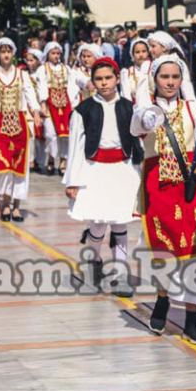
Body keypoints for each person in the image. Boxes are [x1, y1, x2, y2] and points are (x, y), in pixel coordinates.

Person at [131, 54, 196, 345]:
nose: (170, 82)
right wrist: (145, 113)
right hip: (158, 186)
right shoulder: (147, 110)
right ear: (155, 80)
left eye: (175, 77)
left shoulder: (194, 108)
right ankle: (162, 298)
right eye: (164, 77)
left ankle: (192, 321)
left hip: (190, 188)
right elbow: (137, 127)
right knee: (163, 251)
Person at [63, 57, 142, 297]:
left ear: (117, 79)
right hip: (94, 170)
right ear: (92, 82)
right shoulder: (83, 110)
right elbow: (75, 146)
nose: (104, 83)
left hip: (122, 169)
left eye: (108, 78)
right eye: (99, 79)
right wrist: (72, 181)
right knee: (97, 223)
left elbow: (139, 139)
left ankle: (120, 274)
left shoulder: (129, 107)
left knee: (120, 222)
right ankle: (92, 265)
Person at [0, 38, 41, 222]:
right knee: (2, 166)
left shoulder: (22, 74)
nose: (6, 55)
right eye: (2, 51)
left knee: (20, 165)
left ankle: (17, 206)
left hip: (19, 122)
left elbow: (30, 94)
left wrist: (35, 112)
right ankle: (4, 202)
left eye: (9, 51)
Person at [37, 41, 76, 175]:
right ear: (47, 54)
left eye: (58, 53)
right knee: (50, 133)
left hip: (65, 104)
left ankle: (64, 160)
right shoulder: (43, 69)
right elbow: (41, 85)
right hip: (49, 104)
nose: (56, 56)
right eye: (53, 53)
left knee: (65, 134)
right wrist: (42, 103)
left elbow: (72, 86)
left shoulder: (66, 69)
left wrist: (72, 104)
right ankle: (52, 158)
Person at [120, 38, 151, 103]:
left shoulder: (153, 69)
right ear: (132, 54)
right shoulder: (127, 72)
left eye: (144, 51)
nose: (141, 55)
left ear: (148, 53)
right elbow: (126, 96)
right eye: (137, 52)